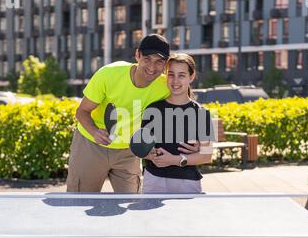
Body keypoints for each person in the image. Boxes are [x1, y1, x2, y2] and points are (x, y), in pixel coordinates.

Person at [66, 35, 199, 193]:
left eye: (159, 61)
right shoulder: (108, 74)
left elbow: (184, 108)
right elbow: (81, 112)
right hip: (91, 145)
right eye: (147, 58)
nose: (152, 66)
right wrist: (95, 132)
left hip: (129, 151)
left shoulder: (165, 86)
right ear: (137, 55)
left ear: (165, 64)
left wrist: (196, 141)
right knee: (79, 202)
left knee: (132, 205)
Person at [141, 53, 215, 194]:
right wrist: (152, 156)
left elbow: (206, 156)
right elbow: (141, 149)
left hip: (187, 182)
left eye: (181, 75)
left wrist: (175, 159)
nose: (175, 81)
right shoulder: (151, 109)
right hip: (154, 180)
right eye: (171, 74)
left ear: (191, 77)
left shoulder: (202, 113)